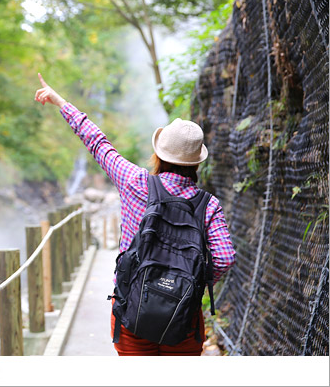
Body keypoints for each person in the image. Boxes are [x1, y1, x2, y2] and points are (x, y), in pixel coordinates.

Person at [34, 73, 235, 356]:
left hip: (133, 310)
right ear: (195, 163)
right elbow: (225, 258)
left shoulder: (134, 181)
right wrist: (191, 280)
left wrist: (60, 102)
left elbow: (97, 142)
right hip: (183, 318)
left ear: (160, 155)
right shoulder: (208, 204)